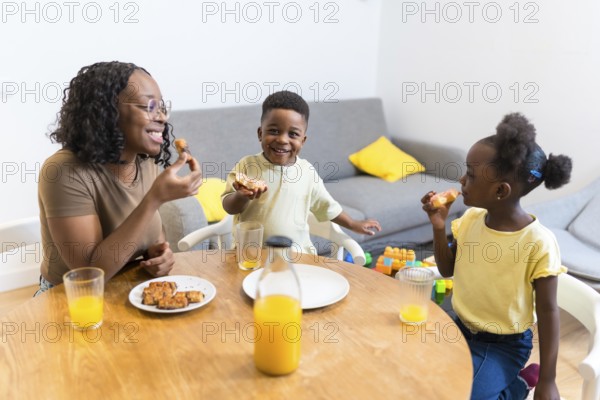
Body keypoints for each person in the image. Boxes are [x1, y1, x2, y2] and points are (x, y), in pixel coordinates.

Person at [422, 113, 571, 399]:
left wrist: (548, 381)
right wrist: (439, 227)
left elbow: (550, 312)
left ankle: (521, 384)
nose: (462, 180)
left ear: (500, 191)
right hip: (459, 327)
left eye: (472, 175)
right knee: (423, 380)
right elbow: (447, 268)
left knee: (459, 394)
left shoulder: (538, 243)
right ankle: (512, 383)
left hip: (505, 346)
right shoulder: (470, 219)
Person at [36, 61, 202, 295]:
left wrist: (158, 254)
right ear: (107, 111)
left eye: (162, 107)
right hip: (69, 300)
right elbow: (87, 274)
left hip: (129, 288)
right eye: (149, 106)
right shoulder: (63, 171)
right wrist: (154, 199)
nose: (162, 117)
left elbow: (150, 236)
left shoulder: (145, 163)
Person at [222, 90, 381, 255]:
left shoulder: (307, 172)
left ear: (302, 141)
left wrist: (354, 224)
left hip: (297, 257)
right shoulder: (247, 166)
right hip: (250, 255)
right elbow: (229, 206)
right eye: (274, 131)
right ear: (260, 134)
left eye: (293, 134)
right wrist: (241, 196)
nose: (283, 140)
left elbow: (327, 207)